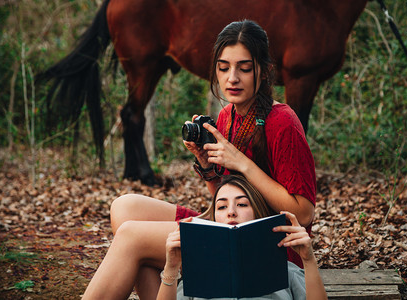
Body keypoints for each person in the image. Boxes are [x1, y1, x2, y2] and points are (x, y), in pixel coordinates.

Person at [101, 19, 316, 299]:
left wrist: (241, 162)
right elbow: (223, 198)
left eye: (245, 68)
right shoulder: (228, 117)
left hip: (270, 245)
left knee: (131, 238)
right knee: (123, 207)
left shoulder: (283, 122)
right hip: (227, 226)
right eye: (224, 68)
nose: (232, 78)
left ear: (264, 72)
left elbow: (304, 213)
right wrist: (207, 166)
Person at [156, 175, 327, 300]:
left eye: (242, 204)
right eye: (222, 206)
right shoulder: (199, 275)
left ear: (257, 214)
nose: (231, 211)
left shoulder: (285, 270)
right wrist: (171, 268)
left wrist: (308, 259)